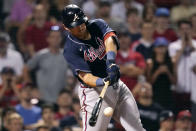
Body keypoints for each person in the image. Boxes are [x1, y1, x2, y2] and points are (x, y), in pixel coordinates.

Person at [62, 4, 145, 131]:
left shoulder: (97, 24)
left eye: (82, 22)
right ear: (66, 27)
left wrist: (111, 62)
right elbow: (85, 76)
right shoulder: (70, 49)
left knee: (137, 128)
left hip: (116, 85)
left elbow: (109, 39)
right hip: (94, 92)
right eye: (76, 25)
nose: (81, 27)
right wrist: (102, 81)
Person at [23, 25, 68, 103]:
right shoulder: (41, 55)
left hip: (60, 100)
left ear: (61, 39)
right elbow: (25, 69)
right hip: (42, 98)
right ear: (48, 39)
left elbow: (77, 72)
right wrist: (32, 88)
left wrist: (70, 88)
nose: (55, 39)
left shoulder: (66, 55)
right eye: (53, 37)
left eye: (58, 37)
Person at [169, 20, 196, 112]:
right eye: (182, 29)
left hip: (193, 89)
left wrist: (191, 45)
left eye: (187, 29)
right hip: (178, 88)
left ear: (192, 30)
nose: (185, 31)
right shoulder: (173, 46)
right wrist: (183, 47)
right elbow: (173, 62)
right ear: (179, 31)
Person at [147, 37, 175, 110]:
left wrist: (168, 72)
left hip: (167, 95)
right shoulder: (151, 63)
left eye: (163, 47)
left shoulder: (171, 63)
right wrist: (157, 72)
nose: (161, 49)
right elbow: (149, 82)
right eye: (159, 47)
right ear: (155, 48)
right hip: (155, 95)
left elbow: (174, 82)